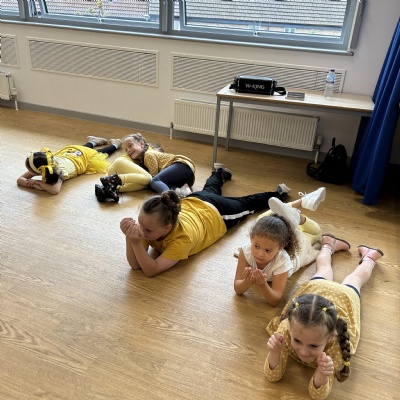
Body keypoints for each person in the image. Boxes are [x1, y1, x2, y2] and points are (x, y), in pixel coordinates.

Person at [265, 234, 384, 399]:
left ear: (331, 337)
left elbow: (317, 396)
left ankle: (367, 257)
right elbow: (272, 377)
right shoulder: (286, 328)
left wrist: (323, 373)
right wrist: (274, 352)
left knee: (349, 277)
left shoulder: (337, 345)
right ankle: (329, 245)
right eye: (297, 340)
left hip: (344, 296)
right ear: (290, 328)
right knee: (332, 272)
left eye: (314, 345)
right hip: (317, 289)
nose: (304, 352)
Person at [119, 165, 291, 277]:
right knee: (211, 188)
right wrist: (130, 238)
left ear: (167, 228)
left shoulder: (182, 240)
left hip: (218, 213)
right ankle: (218, 172)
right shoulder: (148, 225)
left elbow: (150, 270)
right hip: (195, 200)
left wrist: (135, 242)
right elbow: (135, 266)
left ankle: (279, 194)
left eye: (147, 230)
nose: (141, 231)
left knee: (247, 204)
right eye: (141, 226)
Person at [234, 188, 326, 306]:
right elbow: (237, 288)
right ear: (251, 238)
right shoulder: (246, 250)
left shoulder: (282, 260)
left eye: (267, 250)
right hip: (281, 234)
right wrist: (247, 282)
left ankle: (298, 217)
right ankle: (296, 211)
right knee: (260, 221)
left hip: (298, 250)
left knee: (317, 235)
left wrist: (262, 285)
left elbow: (275, 300)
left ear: (280, 248)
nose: (260, 253)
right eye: (256, 246)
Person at [95, 133, 195, 202]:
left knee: (154, 182)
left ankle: (168, 201)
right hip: (186, 178)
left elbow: (153, 177)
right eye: (126, 150)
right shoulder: (143, 160)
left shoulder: (148, 154)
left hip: (181, 164)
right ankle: (183, 192)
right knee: (155, 184)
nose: (128, 150)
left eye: (130, 146)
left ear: (142, 144)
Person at [17, 136, 122, 195]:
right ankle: (94, 142)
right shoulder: (46, 164)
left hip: (81, 160)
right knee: (81, 149)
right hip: (70, 154)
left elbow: (55, 190)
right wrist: (36, 185)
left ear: (37, 171)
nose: (29, 172)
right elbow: (19, 180)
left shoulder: (58, 172)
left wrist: (37, 183)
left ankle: (116, 144)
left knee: (100, 154)